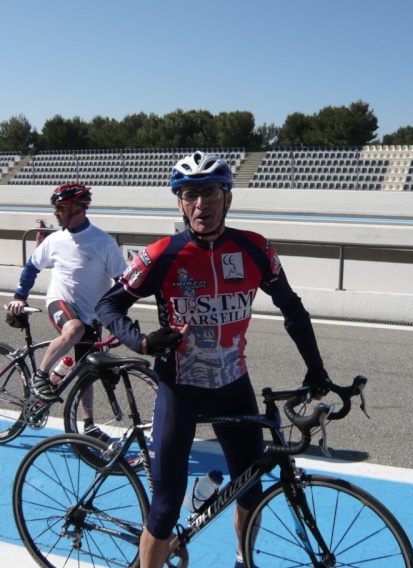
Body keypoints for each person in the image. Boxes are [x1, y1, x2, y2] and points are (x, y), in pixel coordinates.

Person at [94, 151, 332, 568]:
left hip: (232, 385)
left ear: (227, 198)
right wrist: (143, 342)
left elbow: (293, 310)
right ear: (180, 203)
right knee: (165, 507)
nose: (200, 204)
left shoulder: (255, 249)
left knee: (251, 489)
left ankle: (243, 561)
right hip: (180, 388)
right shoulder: (162, 254)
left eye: (209, 193)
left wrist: (317, 369)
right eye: (189, 195)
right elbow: (109, 306)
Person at [7, 183, 126, 439]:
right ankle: (41, 376)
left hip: (91, 314)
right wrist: (19, 296)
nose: (56, 213)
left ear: (79, 209)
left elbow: (123, 284)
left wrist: (118, 319)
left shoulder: (103, 242)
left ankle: (89, 424)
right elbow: (31, 268)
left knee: (88, 369)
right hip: (60, 303)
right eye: (56, 208)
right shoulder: (55, 239)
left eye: (61, 208)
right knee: (74, 329)